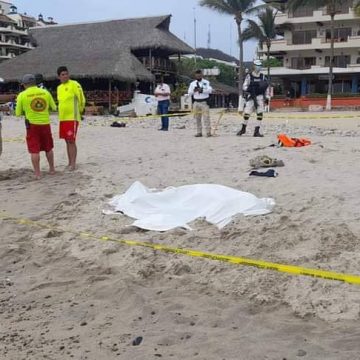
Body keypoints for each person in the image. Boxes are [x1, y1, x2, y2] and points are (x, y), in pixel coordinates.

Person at [15, 74, 57, 179]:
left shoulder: (22, 95)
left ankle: (38, 174)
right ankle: (52, 169)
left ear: (24, 84)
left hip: (32, 125)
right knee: (48, 148)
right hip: (45, 123)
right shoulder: (45, 92)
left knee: (34, 150)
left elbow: (18, 113)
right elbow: (54, 108)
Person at [57, 66, 85, 170]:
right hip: (62, 118)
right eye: (62, 75)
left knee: (71, 140)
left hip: (72, 118)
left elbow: (81, 98)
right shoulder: (59, 88)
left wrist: (81, 110)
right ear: (59, 77)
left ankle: (73, 164)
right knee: (66, 141)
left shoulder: (74, 84)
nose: (65, 76)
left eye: (66, 74)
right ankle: (69, 163)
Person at [237, 60, 269, 137]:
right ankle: (243, 129)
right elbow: (244, 86)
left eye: (260, 66)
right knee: (247, 113)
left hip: (260, 97)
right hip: (251, 96)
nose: (259, 67)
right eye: (257, 65)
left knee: (260, 113)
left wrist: (267, 97)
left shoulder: (263, 76)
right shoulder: (249, 76)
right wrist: (249, 89)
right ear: (254, 66)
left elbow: (267, 87)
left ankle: (256, 131)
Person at [188, 69, 213, 137]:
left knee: (206, 118)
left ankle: (208, 132)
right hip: (196, 102)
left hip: (204, 102)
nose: (198, 76)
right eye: (197, 75)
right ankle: (199, 132)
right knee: (197, 118)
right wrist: (194, 90)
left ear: (201, 75)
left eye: (199, 75)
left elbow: (210, 90)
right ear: (195, 75)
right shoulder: (192, 84)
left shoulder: (206, 82)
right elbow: (189, 93)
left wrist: (202, 90)